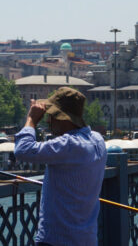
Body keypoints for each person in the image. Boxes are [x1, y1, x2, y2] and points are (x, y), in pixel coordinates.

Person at [14, 87, 107, 246]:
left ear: (62, 118)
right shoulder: (97, 140)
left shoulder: (69, 145)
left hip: (57, 239)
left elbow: (23, 150)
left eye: (51, 116)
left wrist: (31, 120)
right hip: (87, 239)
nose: (49, 121)